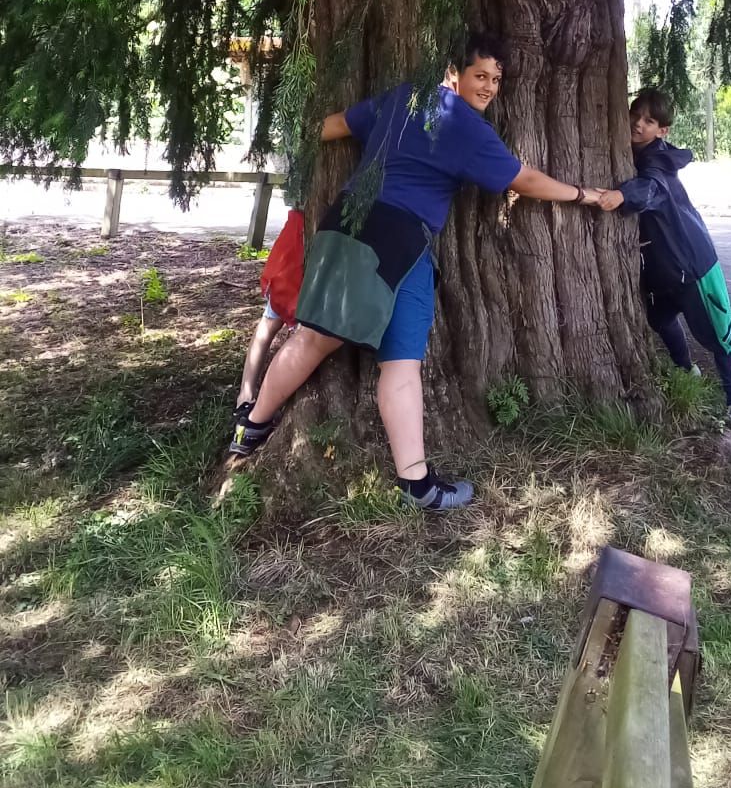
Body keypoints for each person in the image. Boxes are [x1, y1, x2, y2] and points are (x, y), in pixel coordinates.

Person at [228, 31, 602, 508]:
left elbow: (336, 125)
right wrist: (584, 194)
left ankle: (253, 426)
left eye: (495, 79)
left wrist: (292, 136)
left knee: (321, 338)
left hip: (344, 222)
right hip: (398, 240)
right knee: (391, 359)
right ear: (454, 73)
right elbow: (523, 179)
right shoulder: (465, 126)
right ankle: (414, 484)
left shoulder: (405, 97)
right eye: (479, 76)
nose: (487, 88)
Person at [596, 87, 731, 428]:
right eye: (635, 116)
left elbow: (650, 188)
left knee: (720, 335)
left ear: (662, 131)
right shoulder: (630, 152)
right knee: (658, 319)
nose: (638, 125)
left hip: (694, 266)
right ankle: (685, 370)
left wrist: (621, 195)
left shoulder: (658, 161)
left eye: (648, 121)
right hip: (664, 272)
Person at [234, 208, 304, 418]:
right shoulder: (284, 291)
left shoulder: (300, 219)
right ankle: (255, 404)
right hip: (291, 276)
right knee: (296, 338)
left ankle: (251, 399)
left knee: (272, 327)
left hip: (287, 271)